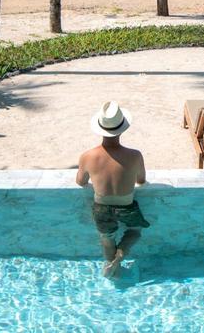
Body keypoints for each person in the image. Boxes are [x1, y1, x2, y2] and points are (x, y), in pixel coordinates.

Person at [77, 101, 149, 278]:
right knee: (135, 230)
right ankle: (120, 255)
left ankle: (112, 268)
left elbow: (80, 182)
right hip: (127, 206)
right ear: (122, 129)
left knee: (107, 238)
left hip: (101, 206)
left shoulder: (88, 156)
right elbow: (141, 180)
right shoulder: (135, 155)